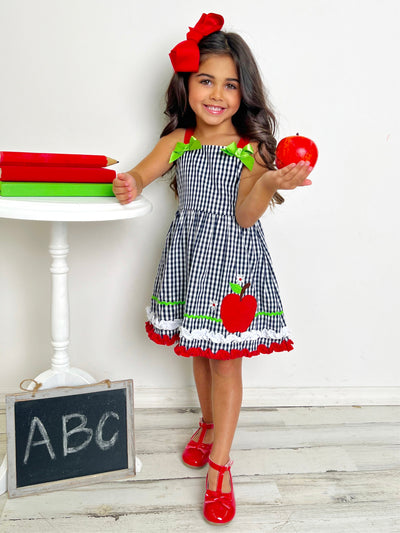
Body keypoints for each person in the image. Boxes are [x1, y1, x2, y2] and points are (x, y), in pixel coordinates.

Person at [113, 13, 312, 525]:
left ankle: (220, 464)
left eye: (230, 84)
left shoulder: (251, 150)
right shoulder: (179, 140)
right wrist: (130, 182)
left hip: (233, 270)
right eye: (206, 80)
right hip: (189, 262)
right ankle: (207, 422)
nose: (217, 94)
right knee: (200, 353)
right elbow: (142, 172)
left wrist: (268, 183)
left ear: (245, 92)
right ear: (187, 84)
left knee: (226, 361)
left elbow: (245, 216)